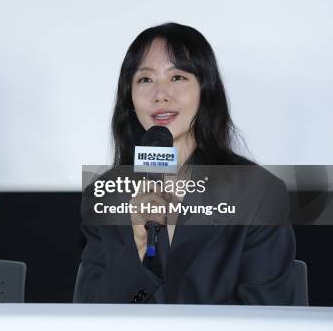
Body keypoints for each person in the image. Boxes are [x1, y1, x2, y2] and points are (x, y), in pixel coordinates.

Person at [76, 23, 296, 304]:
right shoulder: (104, 194)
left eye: (177, 77)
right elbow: (90, 313)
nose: (160, 95)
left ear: (205, 90)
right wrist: (138, 247)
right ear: (129, 96)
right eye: (145, 79)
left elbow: (268, 316)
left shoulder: (258, 193)